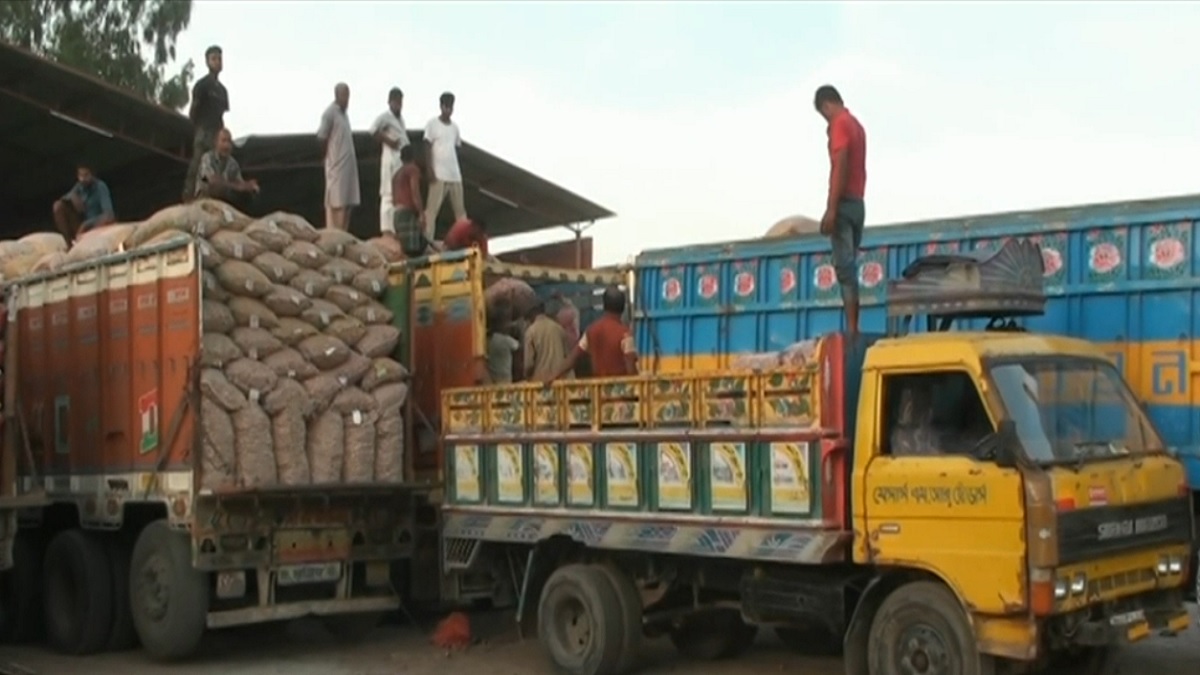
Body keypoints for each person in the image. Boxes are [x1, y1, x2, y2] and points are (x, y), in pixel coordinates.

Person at [814, 84, 867, 335]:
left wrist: (831, 208)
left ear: (826, 105)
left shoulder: (840, 124)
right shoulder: (857, 125)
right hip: (858, 203)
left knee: (845, 270)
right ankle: (854, 326)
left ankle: (853, 329)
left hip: (845, 203)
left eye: (823, 114)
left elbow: (840, 163)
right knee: (851, 266)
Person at [545, 286, 638, 382]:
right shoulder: (625, 334)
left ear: (604, 306)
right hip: (621, 393)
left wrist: (553, 376)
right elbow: (630, 368)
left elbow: (573, 358)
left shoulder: (591, 330)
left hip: (598, 391)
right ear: (622, 308)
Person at [184, 45, 230, 202]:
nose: (217, 62)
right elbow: (194, 110)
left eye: (219, 58)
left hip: (217, 133)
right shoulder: (202, 85)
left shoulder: (223, 91)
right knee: (197, 165)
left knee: (217, 168)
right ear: (207, 62)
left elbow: (222, 115)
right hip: (203, 130)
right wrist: (198, 128)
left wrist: (222, 136)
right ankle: (189, 198)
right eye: (214, 58)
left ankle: (212, 199)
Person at [423, 91, 467, 241]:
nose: (448, 110)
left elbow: (457, 148)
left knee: (460, 212)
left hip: (455, 175)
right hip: (438, 175)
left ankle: (465, 240)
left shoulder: (455, 128)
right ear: (441, 106)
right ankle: (427, 241)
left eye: (451, 107)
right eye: (446, 106)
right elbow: (427, 146)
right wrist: (429, 169)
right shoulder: (432, 124)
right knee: (431, 211)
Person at [318, 83, 360, 230]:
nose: (347, 100)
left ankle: (344, 233)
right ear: (336, 95)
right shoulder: (329, 113)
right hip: (336, 167)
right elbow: (322, 137)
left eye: (348, 96)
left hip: (348, 168)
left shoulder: (344, 114)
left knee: (348, 204)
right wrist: (327, 157)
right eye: (344, 96)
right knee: (337, 204)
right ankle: (335, 236)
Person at [371, 87, 409, 236]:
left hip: (400, 163)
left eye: (401, 102)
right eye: (396, 102)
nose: (399, 105)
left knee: (398, 196)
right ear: (390, 102)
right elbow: (373, 130)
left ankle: (394, 228)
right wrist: (389, 142)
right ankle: (385, 228)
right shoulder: (385, 117)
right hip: (389, 161)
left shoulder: (401, 120)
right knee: (387, 193)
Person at [196, 128, 260, 208]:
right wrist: (236, 186)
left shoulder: (233, 163)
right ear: (216, 143)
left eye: (229, 142)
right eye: (223, 141)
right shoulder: (207, 158)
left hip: (225, 201)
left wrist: (249, 185)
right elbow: (211, 181)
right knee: (218, 188)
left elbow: (240, 184)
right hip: (205, 199)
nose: (226, 145)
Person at [52, 162, 115, 242]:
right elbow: (64, 199)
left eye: (86, 175)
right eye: (80, 176)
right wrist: (72, 197)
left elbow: (109, 214)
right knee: (58, 206)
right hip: (81, 226)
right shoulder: (79, 187)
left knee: (106, 219)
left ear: (92, 175)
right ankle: (69, 243)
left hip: (95, 224)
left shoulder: (100, 187)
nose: (82, 179)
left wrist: (86, 224)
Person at [391, 144, 427, 257]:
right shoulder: (412, 169)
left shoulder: (396, 175)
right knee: (415, 251)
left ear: (401, 158)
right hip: (407, 214)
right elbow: (415, 191)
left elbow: (393, 198)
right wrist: (421, 213)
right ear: (414, 157)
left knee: (404, 251)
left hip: (397, 214)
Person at [524, 299, 572, 381]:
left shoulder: (531, 331)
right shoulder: (558, 328)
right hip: (560, 381)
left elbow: (529, 365)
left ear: (532, 313)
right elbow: (568, 357)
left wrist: (527, 377)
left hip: (540, 383)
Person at [484, 312, 520, 385]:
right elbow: (519, 346)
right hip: (505, 379)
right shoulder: (506, 340)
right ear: (501, 326)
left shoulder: (488, 341)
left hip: (492, 380)